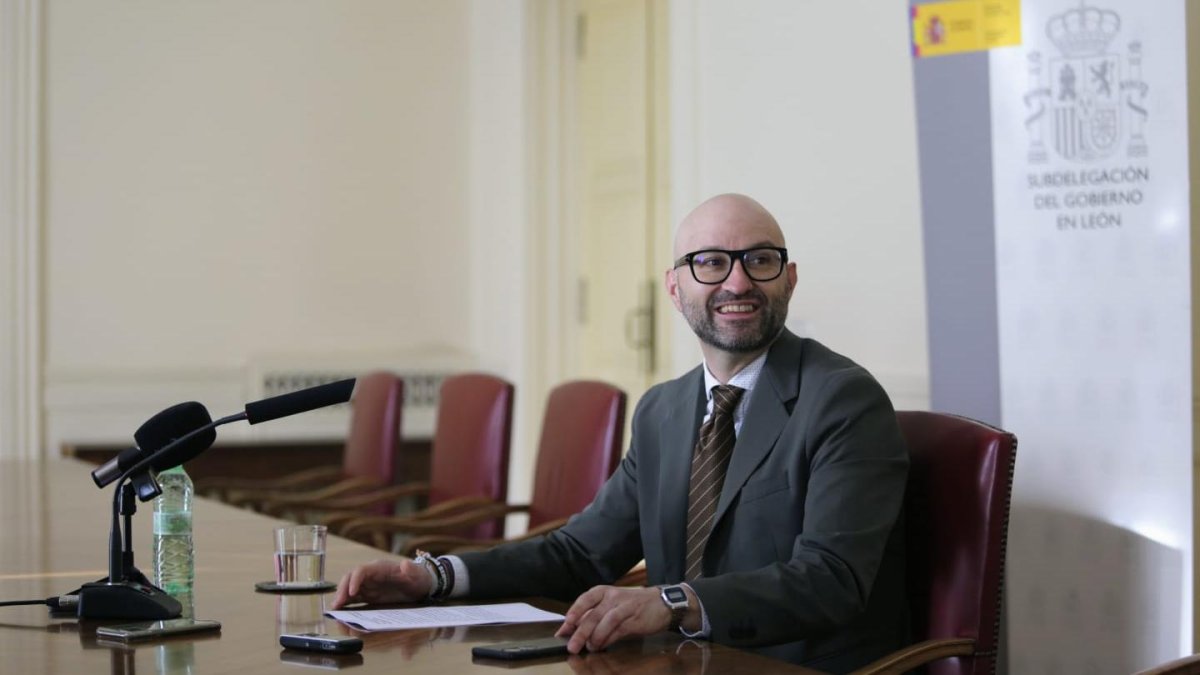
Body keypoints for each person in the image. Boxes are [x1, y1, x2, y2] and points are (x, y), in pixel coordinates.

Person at [332, 193, 910, 671]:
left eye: (760, 260)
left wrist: (671, 602)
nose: (738, 282)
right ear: (674, 288)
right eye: (711, 262)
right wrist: (433, 577)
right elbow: (579, 553)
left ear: (789, 279)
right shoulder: (663, 410)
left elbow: (831, 579)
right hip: (674, 662)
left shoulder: (842, 400)